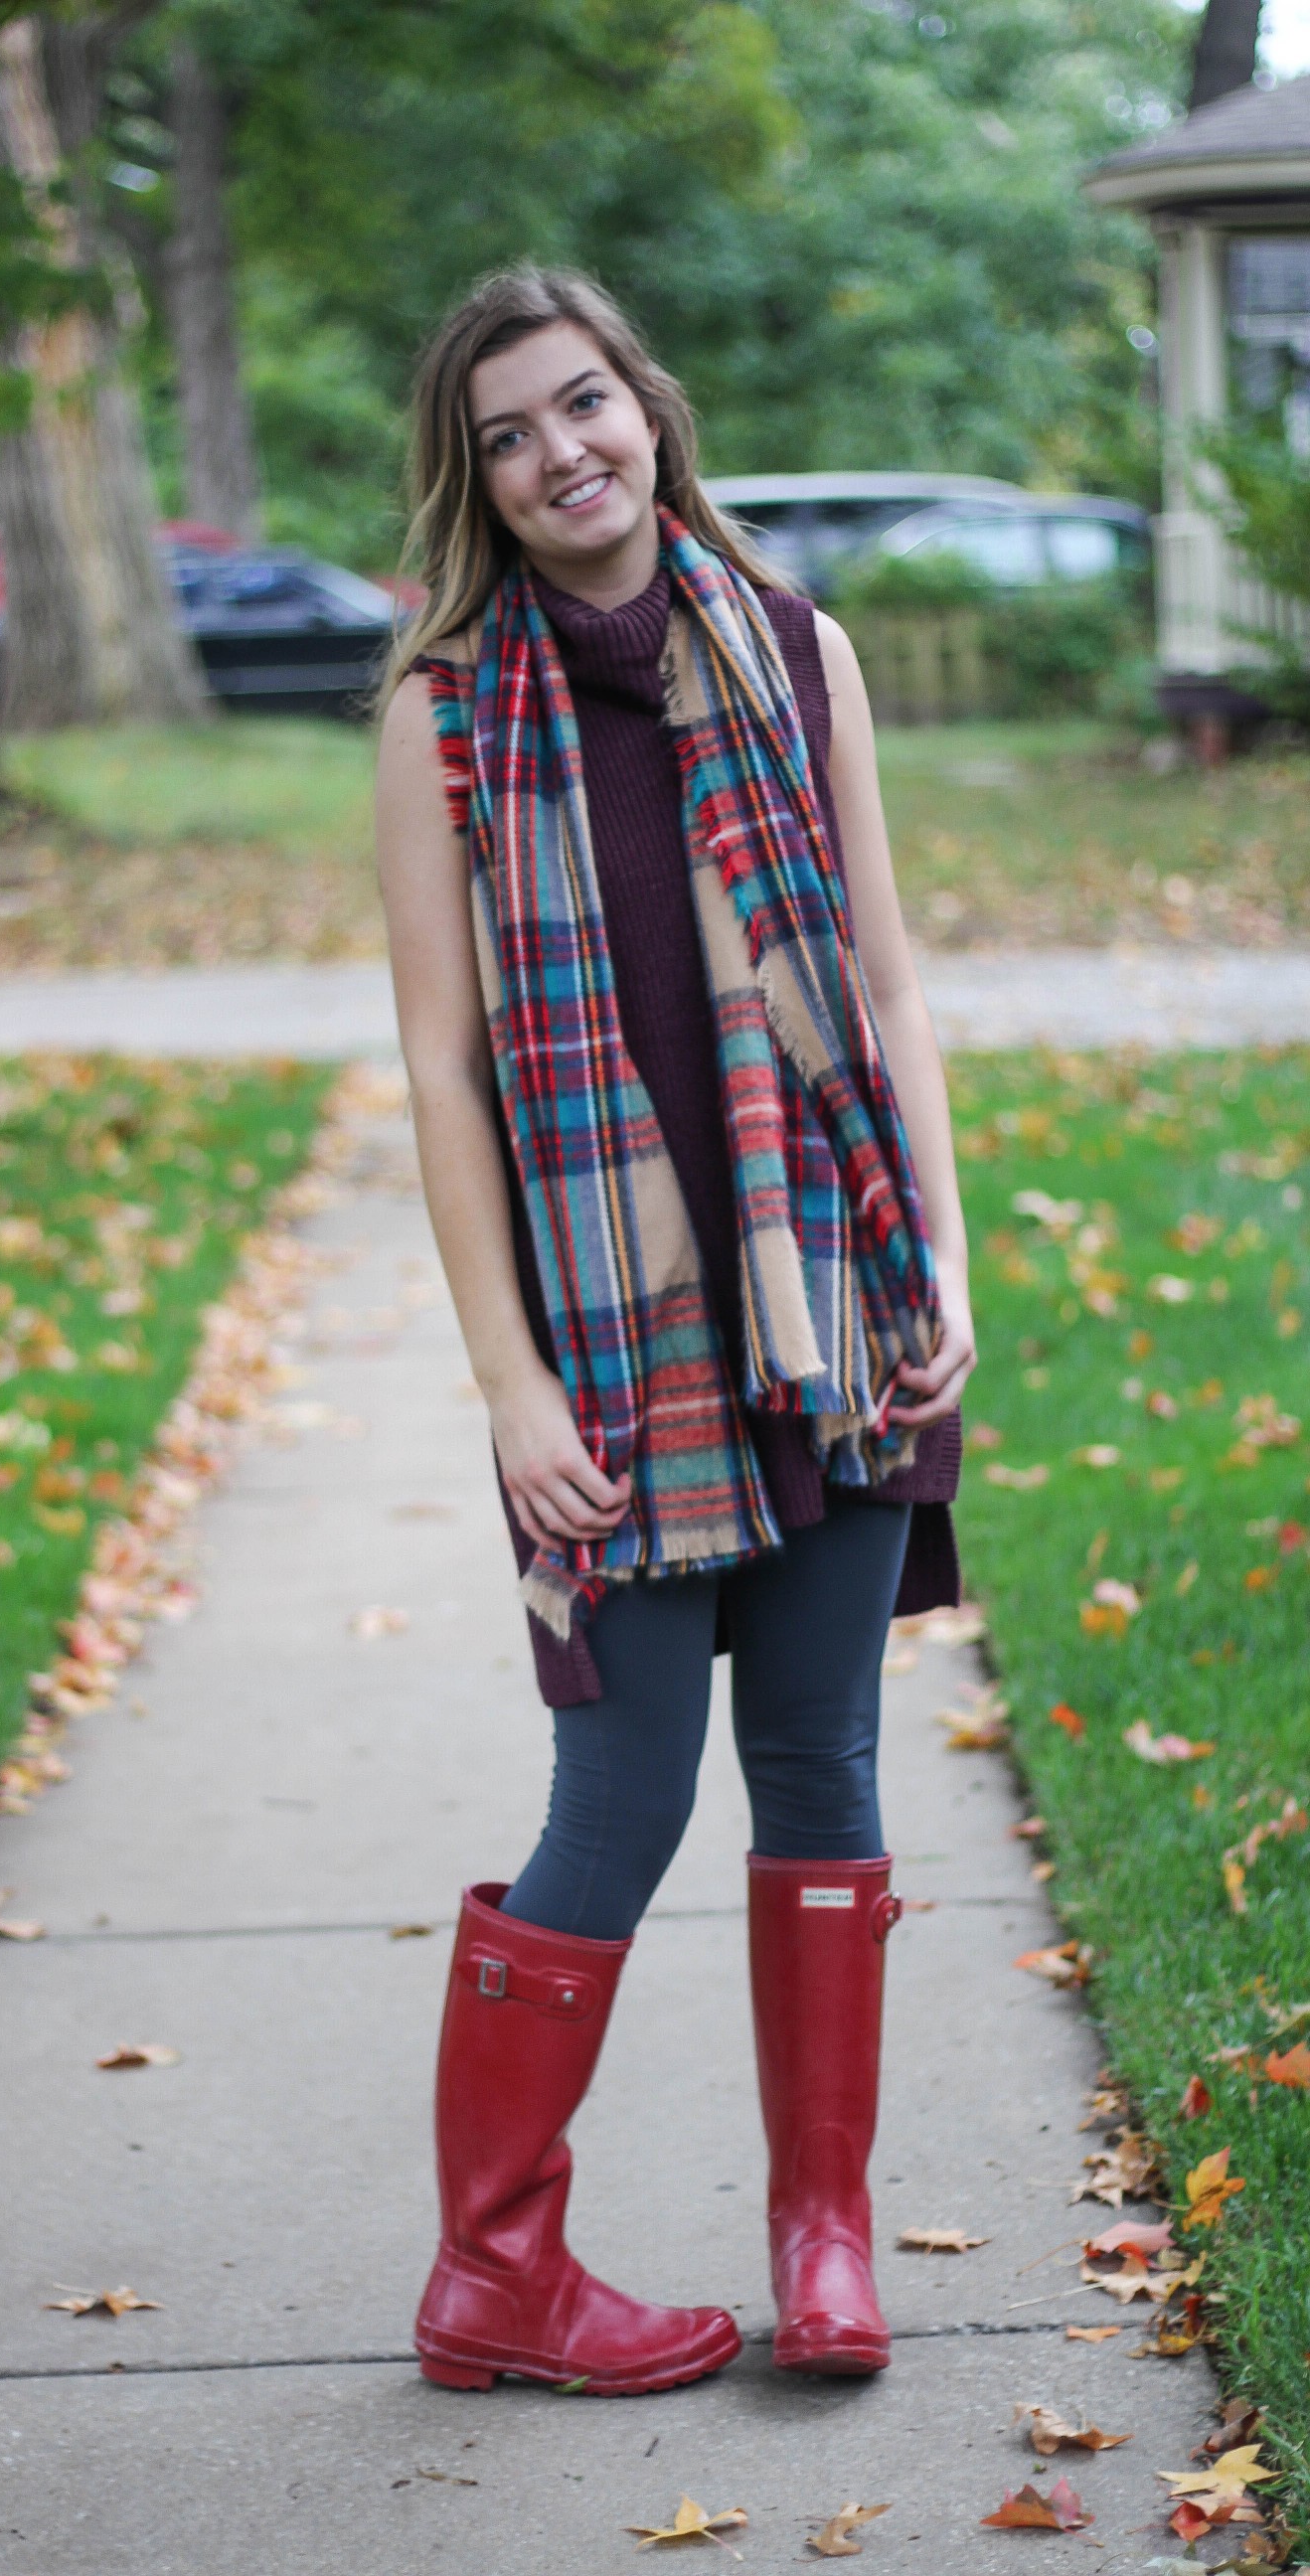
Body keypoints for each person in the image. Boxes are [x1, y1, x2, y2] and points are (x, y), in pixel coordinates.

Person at [375, 266, 976, 2400]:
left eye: (585, 404)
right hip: (613, 1356)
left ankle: (825, 2241)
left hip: (828, 1306)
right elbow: (444, 1074)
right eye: (512, 437)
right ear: (482, 484)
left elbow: (888, 991)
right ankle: (496, 2275)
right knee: (617, 1798)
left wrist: (950, 1273)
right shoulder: (444, 710)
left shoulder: (795, 648)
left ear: (650, 406)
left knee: (820, 1761)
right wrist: (511, 1385)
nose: (563, 455)